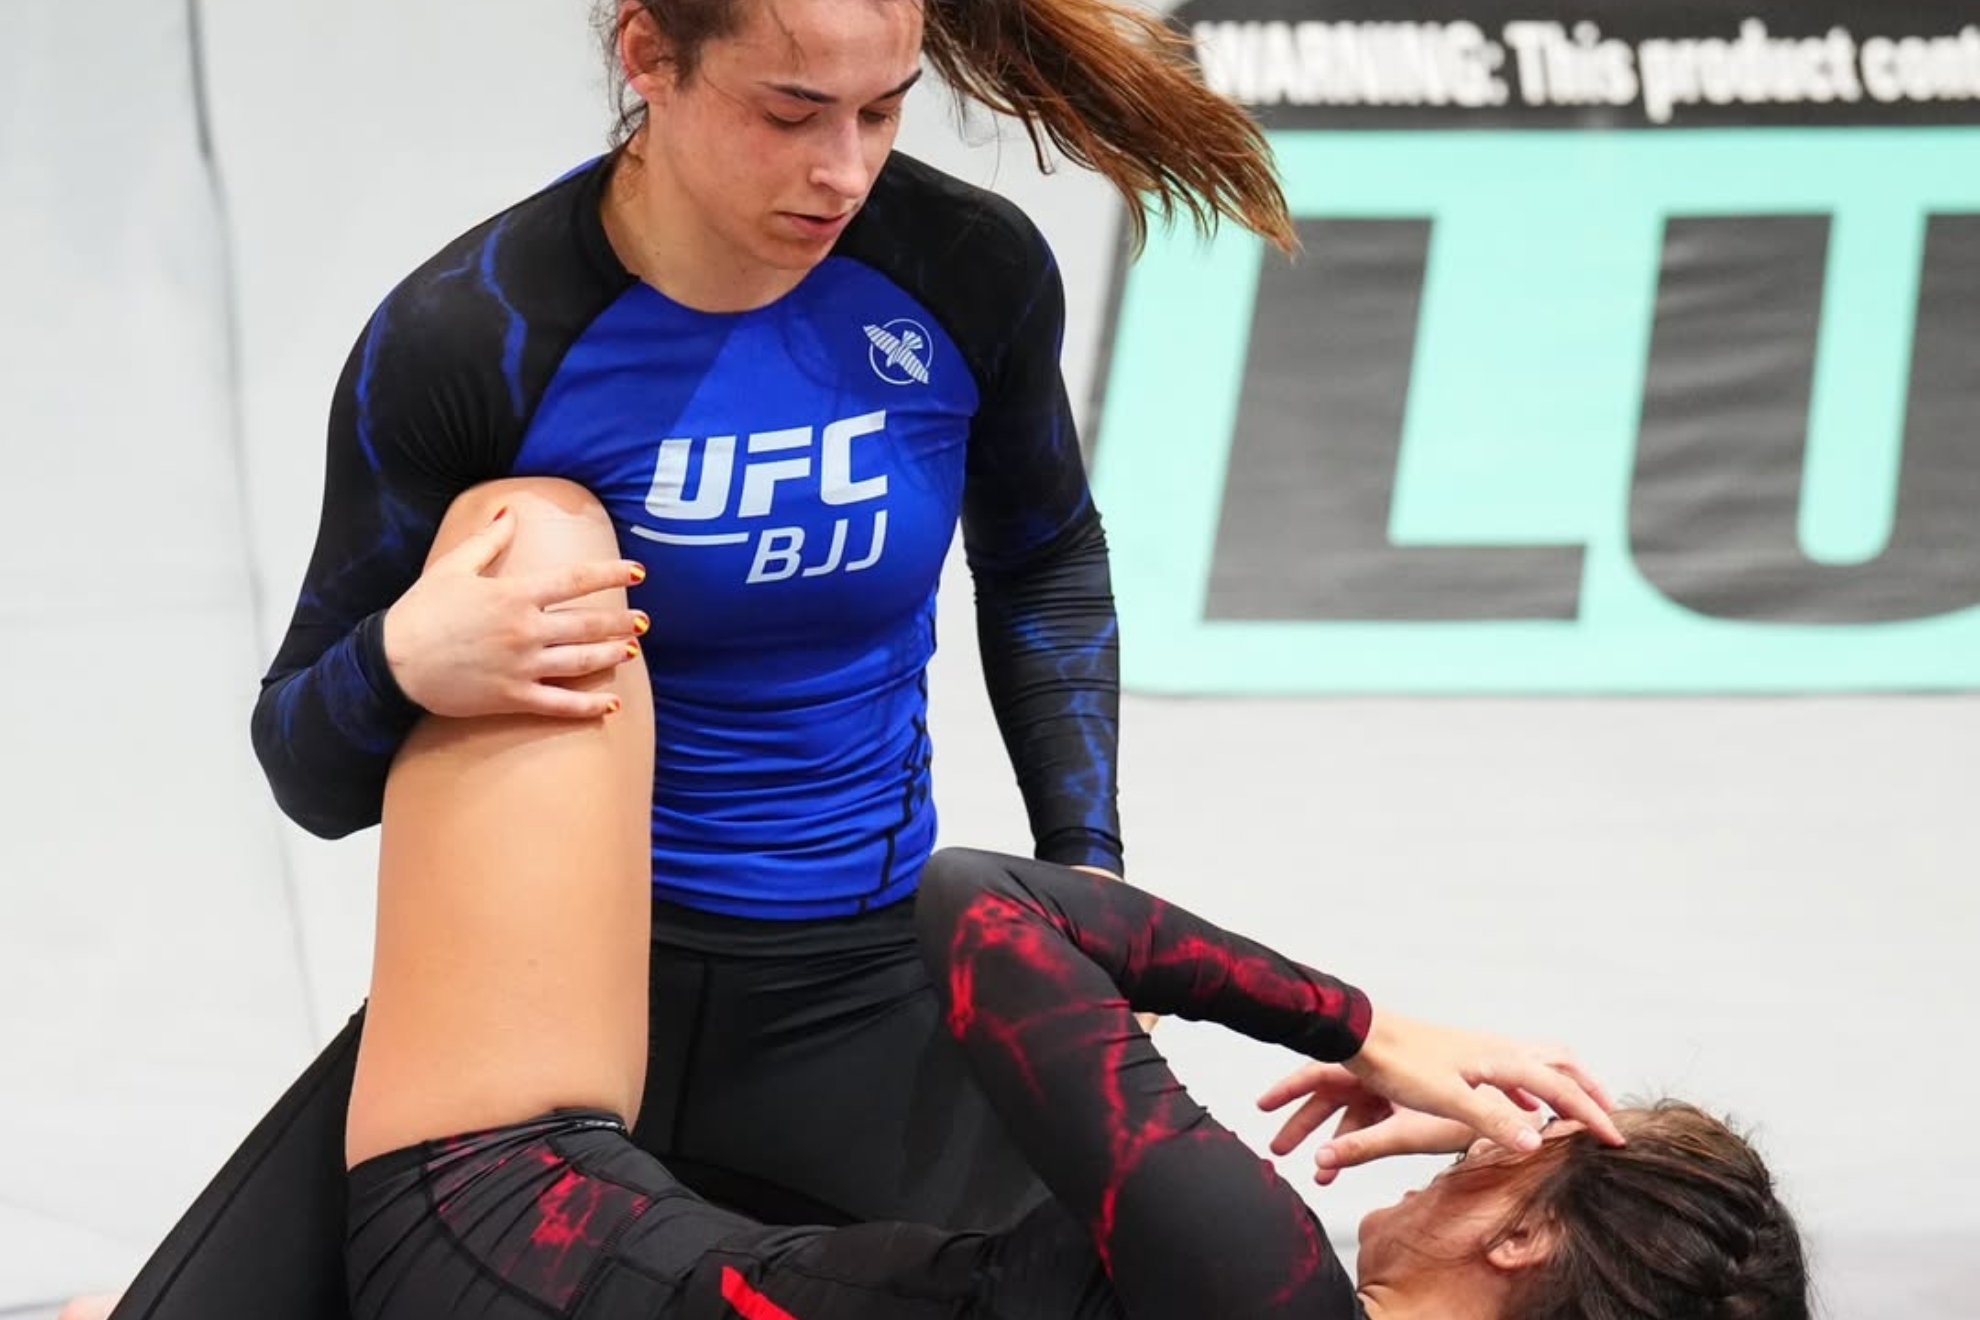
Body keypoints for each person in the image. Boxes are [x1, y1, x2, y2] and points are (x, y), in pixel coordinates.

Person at [244, 0, 1298, 1237]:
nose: (843, 170)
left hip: (867, 986)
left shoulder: (962, 268)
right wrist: (404, 658)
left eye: (884, 110)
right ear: (650, 58)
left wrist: (1086, 868)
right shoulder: (477, 336)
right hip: (548, 998)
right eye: (790, 113)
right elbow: (307, 774)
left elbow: (1044, 555)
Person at [331, 486, 1808, 1320]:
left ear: (1520, 1243)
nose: (1470, 1148)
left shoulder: (1257, 1282)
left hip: (512, 1245)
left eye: (1523, 1152)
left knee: (543, 546)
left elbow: (982, 911)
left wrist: (1366, 1027)